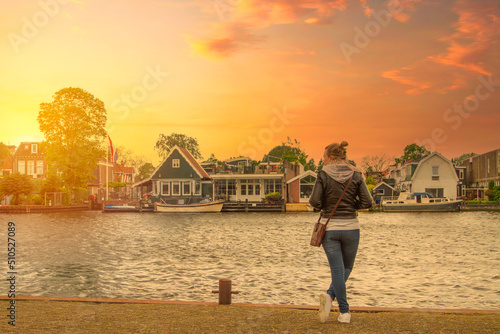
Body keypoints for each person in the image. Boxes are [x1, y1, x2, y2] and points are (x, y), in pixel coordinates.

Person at [309, 141, 372, 324]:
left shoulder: (323, 175)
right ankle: (337, 306)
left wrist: (325, 207)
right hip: (352, 227)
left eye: (324, 157)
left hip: (330, 229)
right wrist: (353, 207)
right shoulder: (357, 174)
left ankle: (339, 306)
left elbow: (314, 201)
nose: (322, 161)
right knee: (347, 268)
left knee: (337, 270)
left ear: (332, 158)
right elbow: (367, 202)